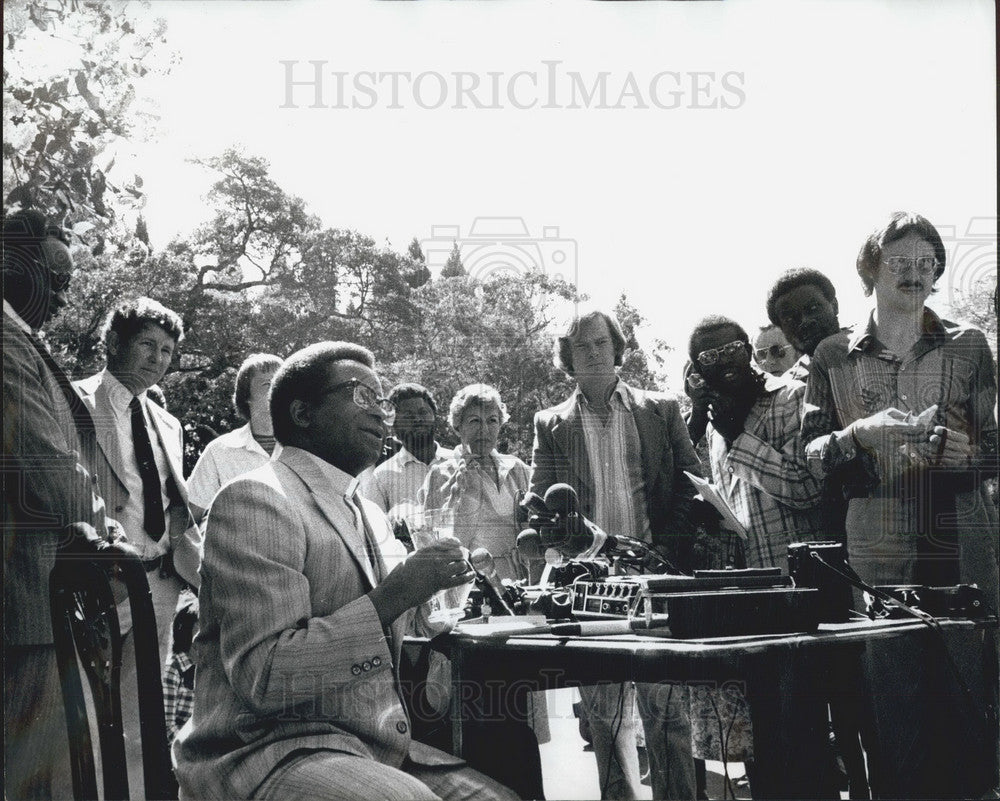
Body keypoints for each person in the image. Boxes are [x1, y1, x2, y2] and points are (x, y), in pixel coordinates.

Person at [173, 341, 517, 801]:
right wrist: (397, 594)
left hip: (369, 745)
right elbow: (266, 676)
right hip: (270, 751)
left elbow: (403, 635)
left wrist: (448, 596)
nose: (383, 415)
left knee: (508, 784)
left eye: (383, 401)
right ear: (302, 413)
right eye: (362, 396)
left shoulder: (368, 512)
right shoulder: (256, 499)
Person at [531, 309, 702, 801]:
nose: (592, 352)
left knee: (668, 714)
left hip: (657, 579)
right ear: (569, 358)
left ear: (617, 349)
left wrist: (666, 550)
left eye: (600, 343)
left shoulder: (661, 409)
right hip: (591, 586)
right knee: (606, 718)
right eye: (581, 346)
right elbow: (543, 500)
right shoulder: (551, 423)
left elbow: (692, 486)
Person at [802, 212, 998, 602]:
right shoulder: (833, 354)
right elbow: (811, 457)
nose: (916, 273)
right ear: (870, 268)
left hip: (961, 539)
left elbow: (994, 449)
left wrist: (968, 456)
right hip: (877, 547)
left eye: (927, 263)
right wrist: (857, 435)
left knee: (966, 656)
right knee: (889, 655)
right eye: (900, 262)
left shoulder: (970, 345)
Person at [3, 209, 132, 799]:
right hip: (21, 599)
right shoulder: (5, 343)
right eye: (54, 277)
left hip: (37, 595)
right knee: (29, 773)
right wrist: (107, 532)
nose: (63, 295)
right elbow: (46, 459)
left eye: (69, 282)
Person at [686, 315, 827, 791]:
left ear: (748, 348)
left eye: (732, 350)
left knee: (807, 740)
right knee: (761, 745)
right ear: (695, 370)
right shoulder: (713, 423)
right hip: (749, 604)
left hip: (798, 598)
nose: (724, 362)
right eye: (709, 357)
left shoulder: (791, 397)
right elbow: (741, 520)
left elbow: (809, 488)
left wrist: (739, 439)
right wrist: (715, 520)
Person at [74, 296, 202, 796]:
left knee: (141, 716)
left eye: (167, 350)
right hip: (97, 588)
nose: (157, 358)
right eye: (147, 344)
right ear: (113, 343)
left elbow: (176, 512)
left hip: (161, 588)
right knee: (84, 713)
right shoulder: (75, 403)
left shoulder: (167, 423)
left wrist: (206, 580)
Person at [421, 384, 530, 580]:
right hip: (473, 582)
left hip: (520, 579)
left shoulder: (516, 468)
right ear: (458, 427)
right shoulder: (441, 473)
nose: (485, 429)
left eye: (492, 420)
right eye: (474, 421)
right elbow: (440, 546)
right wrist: (465, 494)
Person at [187, 352, 283, 520]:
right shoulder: (220, 451)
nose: (276, 392)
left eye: (281, 384)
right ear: (246, 396)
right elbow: (188, 518)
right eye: (267, 384)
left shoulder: (307, 446)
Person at [363, 382, 451, 518]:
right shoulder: (381, 477)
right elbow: (375, 532)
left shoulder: (459, 463)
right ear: (393, 426)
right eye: (408, 416)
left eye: (423, 412)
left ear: (435, 417)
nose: (417, 419)